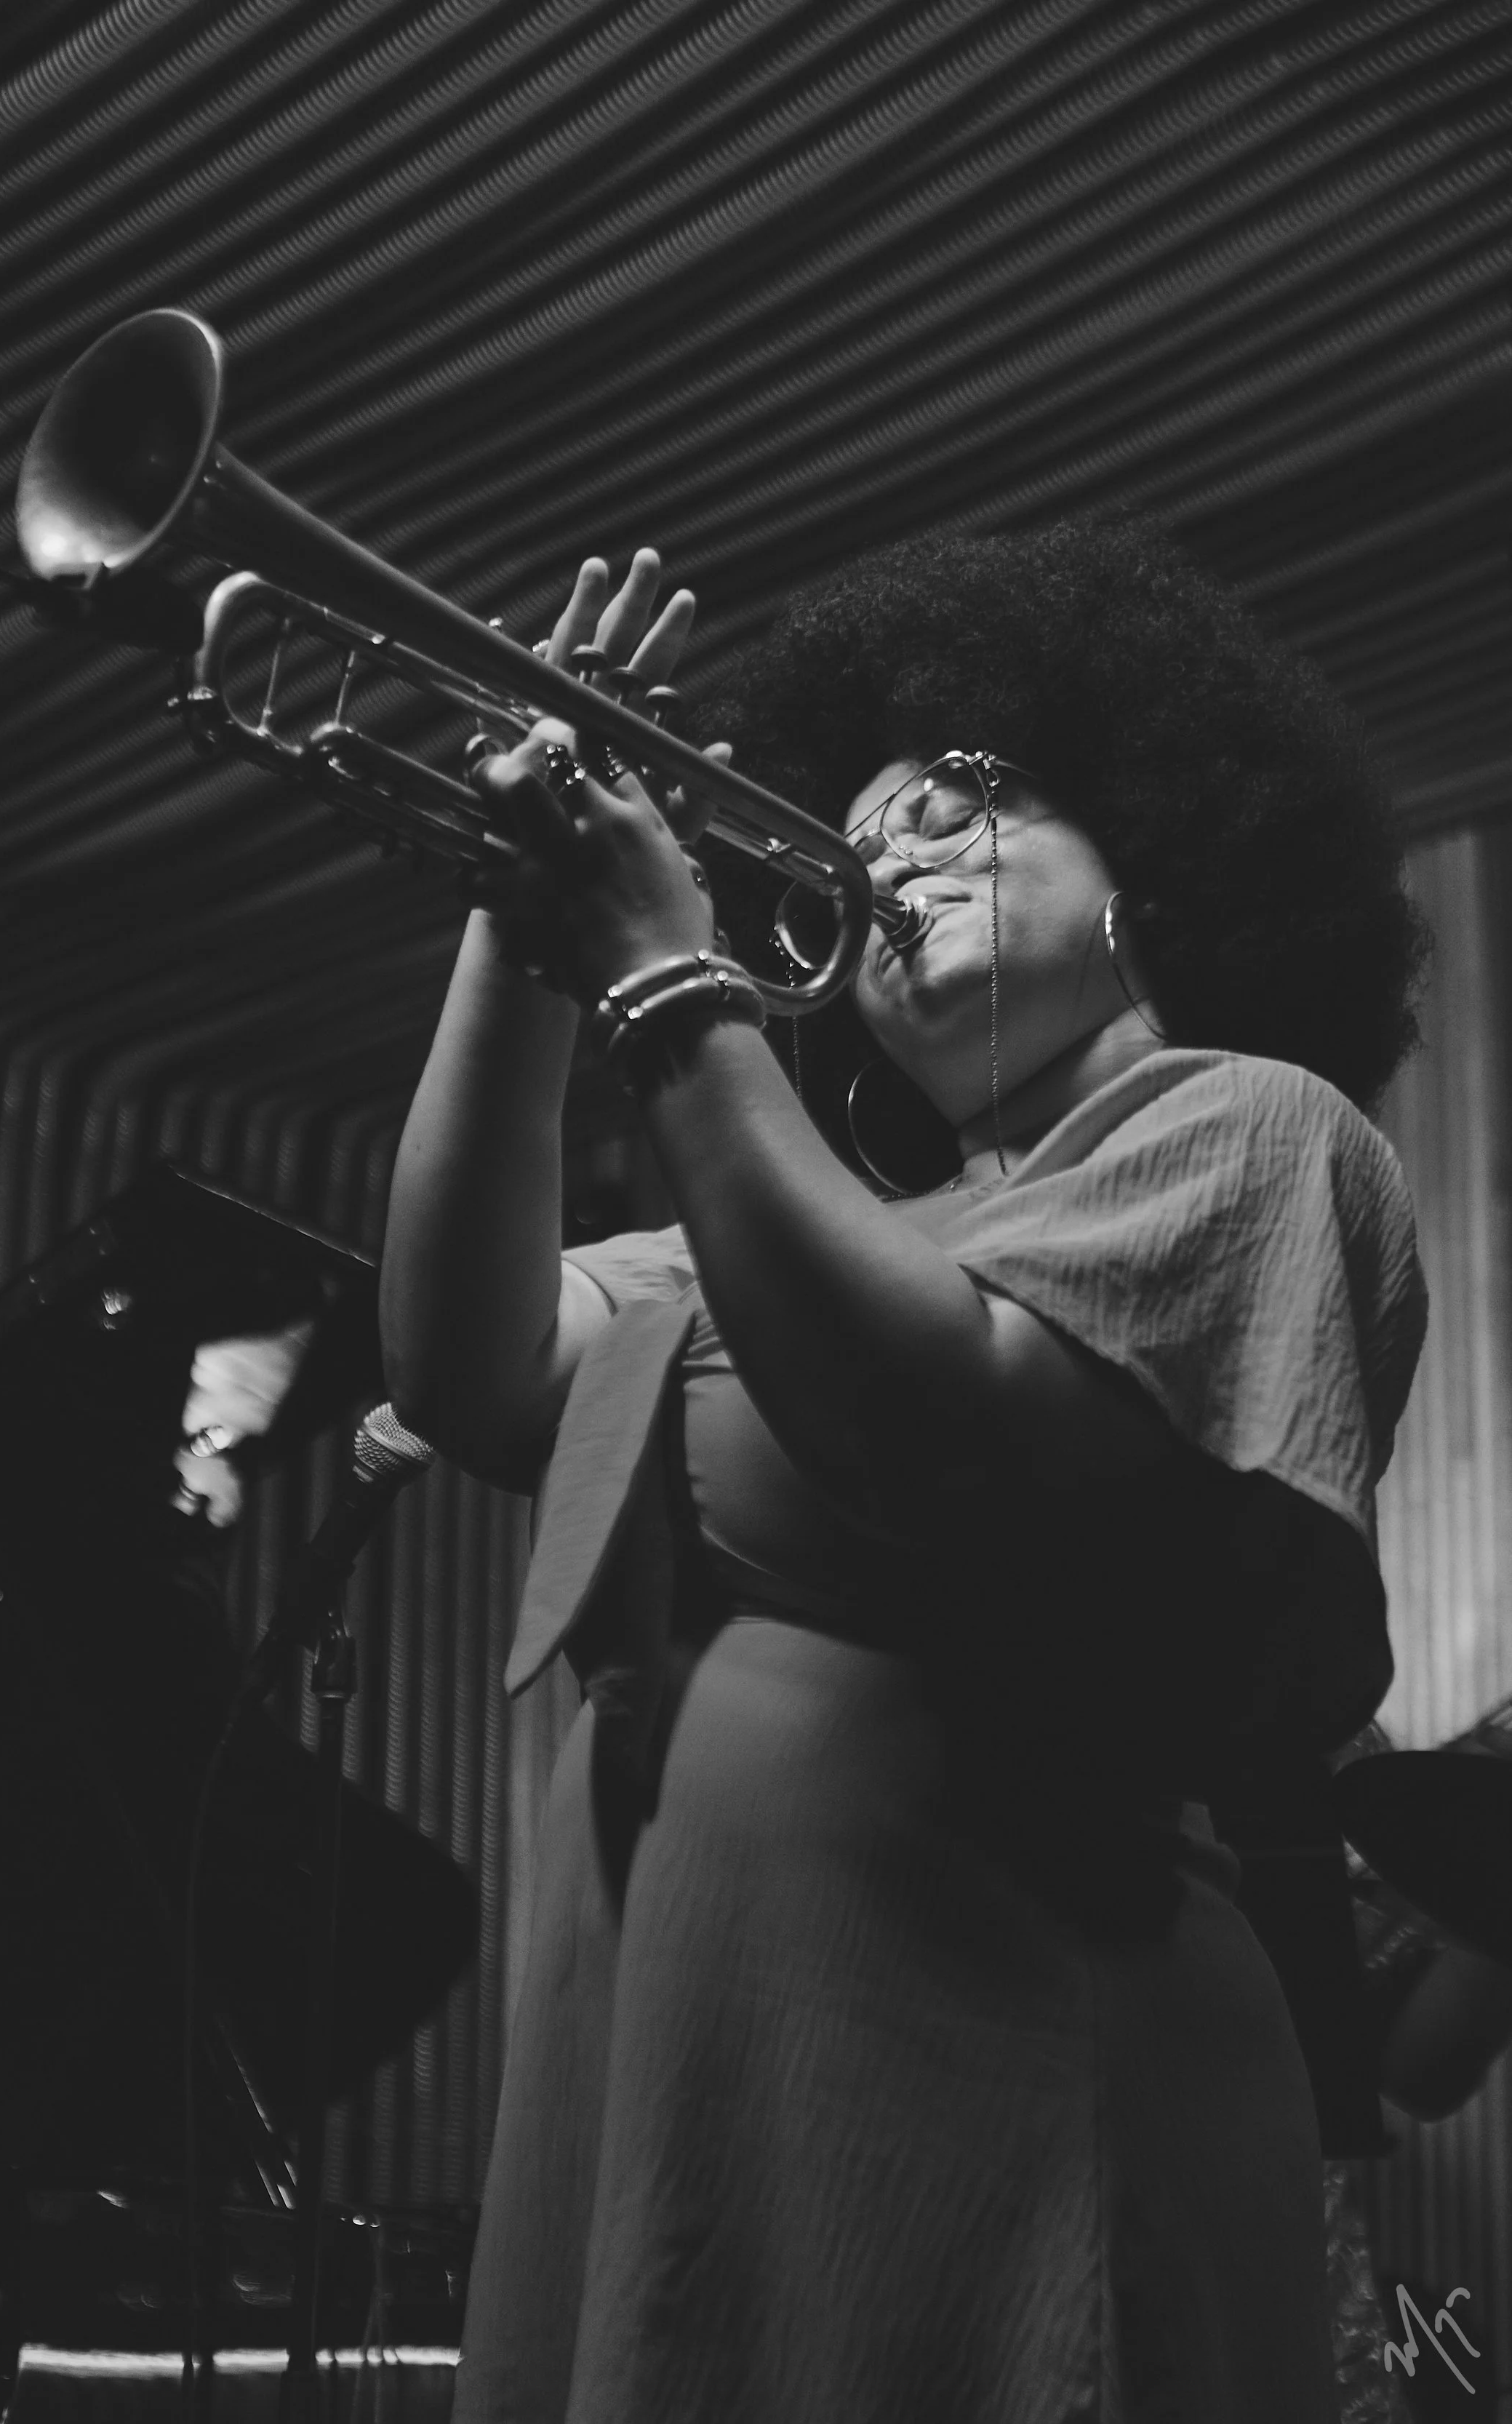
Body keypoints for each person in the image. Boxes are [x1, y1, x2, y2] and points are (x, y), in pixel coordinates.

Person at [379, 522, 1430, 2423]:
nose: (898, 850)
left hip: (991, 2051)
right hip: (696, 2059)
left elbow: (941, 1413)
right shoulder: (789, 1231)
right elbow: (464, 1361)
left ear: (1150, 869)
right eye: (864, 842)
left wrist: (658, 978)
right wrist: (516, 923)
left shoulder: (1250, 1126)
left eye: (972, 798)